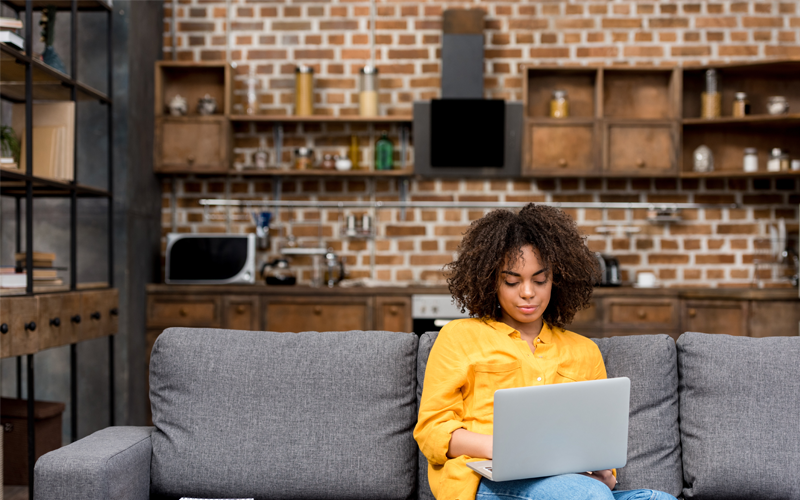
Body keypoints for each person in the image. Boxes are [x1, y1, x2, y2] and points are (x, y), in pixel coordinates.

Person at [414, 204, 676, 500]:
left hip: (574, 485)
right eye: (512, 281)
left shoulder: (584, 351)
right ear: (492, 282)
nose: (527, 292)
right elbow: (433, 431)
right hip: (485, 479)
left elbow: (597, 440)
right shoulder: (459, 337)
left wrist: (604, 473)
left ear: (557, 280)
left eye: (540, 280)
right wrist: (506, 448)